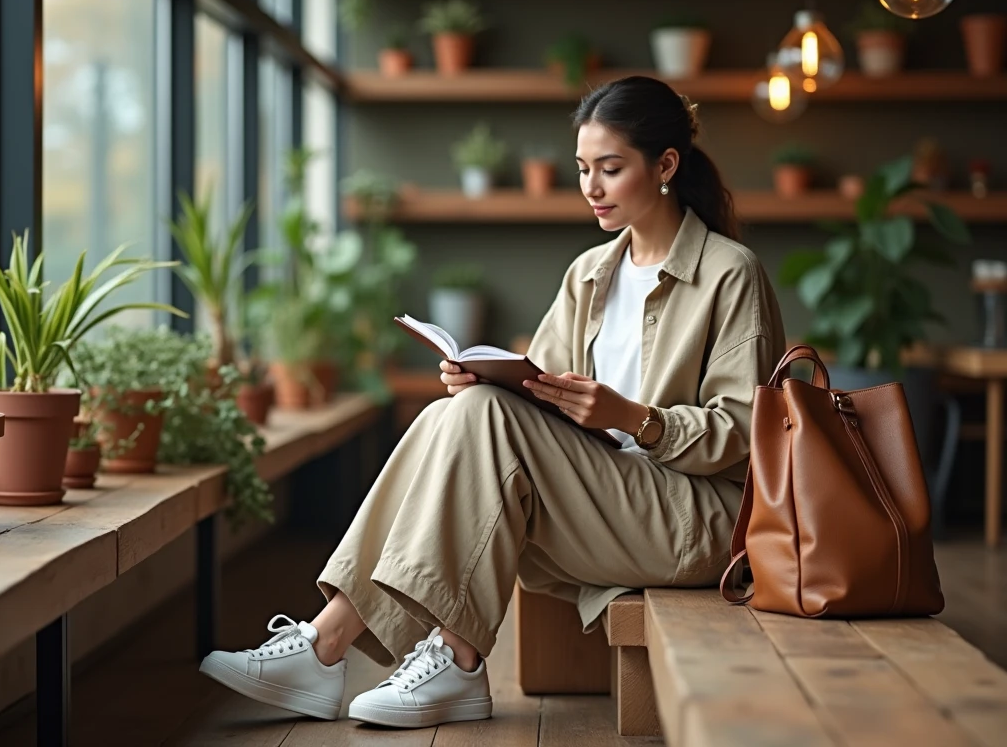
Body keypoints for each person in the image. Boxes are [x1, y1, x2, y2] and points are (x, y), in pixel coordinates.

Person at [199, 76, 786, 729]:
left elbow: (742, 436)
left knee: (481, 418)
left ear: (666, 165)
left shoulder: (731, 273)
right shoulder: (590, 272)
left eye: (611, 169)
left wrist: (630, 418)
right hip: (602, 500)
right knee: (458, 410)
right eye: (583, 169)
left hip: (697, 518)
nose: (591, 187)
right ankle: (338, 643)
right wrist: (484, 381)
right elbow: (535, 391)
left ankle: (420, 657)